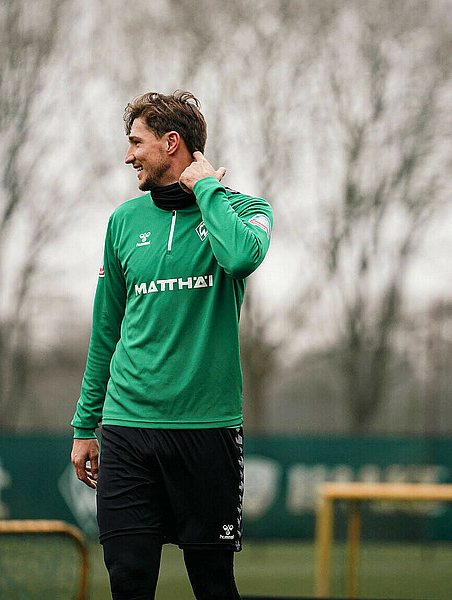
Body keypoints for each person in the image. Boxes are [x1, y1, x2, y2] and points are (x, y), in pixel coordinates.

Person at [70, 90, 273, 600]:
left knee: (212, 584)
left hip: (206, 431)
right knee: (129, 580)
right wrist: (84, 424)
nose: (128, 155)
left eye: (136, 142)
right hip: (127, 430)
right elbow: (105, 330)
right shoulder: (122, 222)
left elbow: (242, 259)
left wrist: (207, 191)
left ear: (172, 143)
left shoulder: (244, 211)